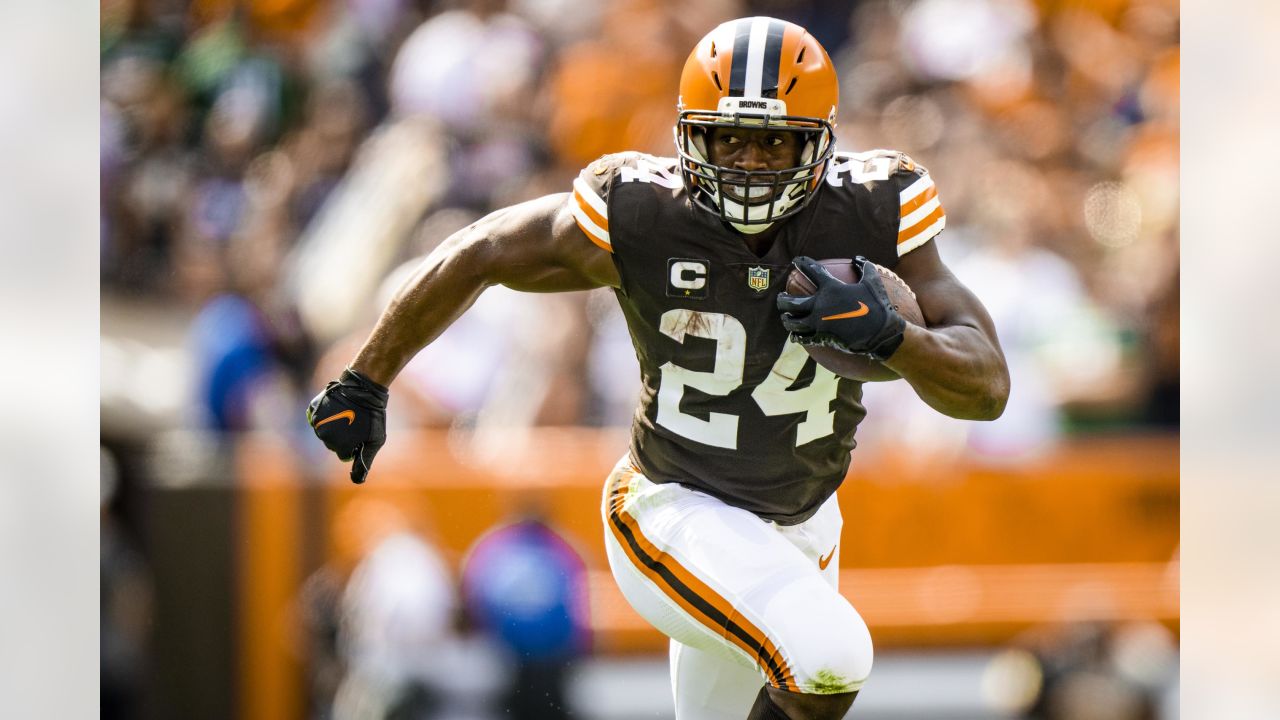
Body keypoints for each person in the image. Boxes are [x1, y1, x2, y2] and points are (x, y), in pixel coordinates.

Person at [308, 16, 1009, 720]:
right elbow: (483, 249)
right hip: (672, 507)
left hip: (805, 523)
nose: (748, 163)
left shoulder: (873, 210)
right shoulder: (644, 214)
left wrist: (890, 337)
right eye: (726, 136)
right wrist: (366, 378)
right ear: (687, 135)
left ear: (820, 143)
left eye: (774, 142)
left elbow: (987, 389)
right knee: (831, 658)